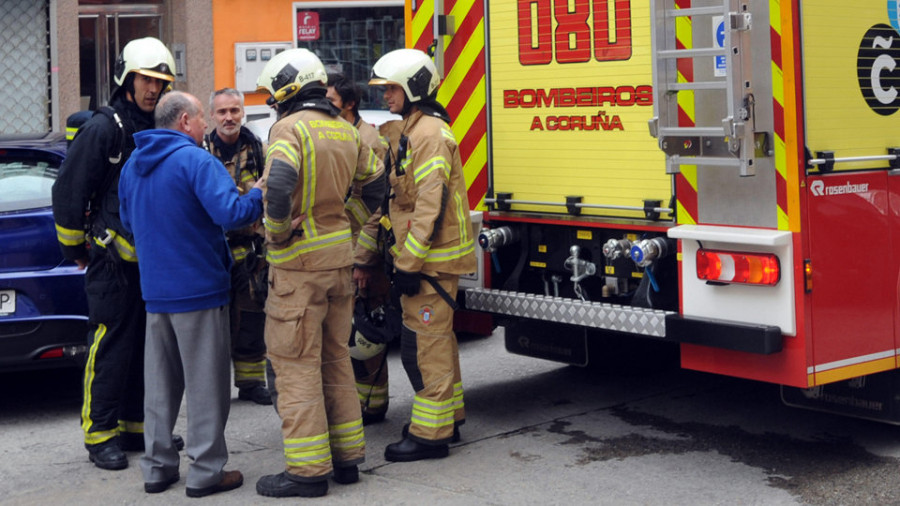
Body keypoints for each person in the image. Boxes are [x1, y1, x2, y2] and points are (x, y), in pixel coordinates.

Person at [253, 48, 384, 498]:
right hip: (338, 264)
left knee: (295, 367)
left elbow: (281, 184)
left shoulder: (288, 128)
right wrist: (345, 222)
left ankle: (307, 473)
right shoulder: (346, 129)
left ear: (289, 90)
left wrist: (276, 234)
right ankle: (348, 460)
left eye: (274, 95)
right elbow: (378, 185)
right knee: (335, 362)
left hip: (298, 270)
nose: (273, 103)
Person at [118, 91, 262, 497]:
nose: (205, 128)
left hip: (156, 293)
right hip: (199, 289)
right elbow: (231, 214)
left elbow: (128, 221)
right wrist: (260, 192)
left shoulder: (133, 165)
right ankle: (205, 473)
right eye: (201, 120)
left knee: (160, 388)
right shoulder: (197, 160)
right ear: (185, 121)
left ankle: (157, 467)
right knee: (207, 388)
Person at [52, 36, 181, 471]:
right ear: (126, 78)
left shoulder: (156, 127)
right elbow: (70, 190)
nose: (153, 89)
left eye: (160, 82)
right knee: (108, 348)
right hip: (110, 264)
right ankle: (100, 434)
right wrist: (74, 248)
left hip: (149, 264)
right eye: (146, 79)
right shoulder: (105, 128)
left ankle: (136, 426)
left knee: (145, 349)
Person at [368, 48, 477, 462]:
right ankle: (449, 418)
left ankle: (431, 436)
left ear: (414, 86)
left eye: (392, 88)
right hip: (433, 258)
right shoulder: (419, 128)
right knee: (439, 342)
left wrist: (408, 264)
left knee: (425, 345)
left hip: (429, 261)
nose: (386, 96)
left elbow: (430, 203)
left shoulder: (429, 133)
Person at [326, 73, 392, 425]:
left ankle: (373, 403)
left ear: (350, 104)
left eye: (332, 101)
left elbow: (377, 204)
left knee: (365, 332)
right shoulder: (340, 133)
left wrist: (364, 260)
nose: (325, 107)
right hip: (342, 250)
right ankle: (359, 401)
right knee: (347, 333)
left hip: (363, 255)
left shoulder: (369, 139)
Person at [204, 87, 272, 406]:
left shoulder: (259, 148)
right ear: (212, 116)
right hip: (214, 250)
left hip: (251, 249)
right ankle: (214, 386)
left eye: (234, 110)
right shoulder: (200, 151)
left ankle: (251, 381)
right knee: (215, 322)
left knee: (251, 316)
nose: (229, 117)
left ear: (242, 112)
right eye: (222, 112)